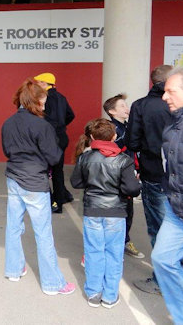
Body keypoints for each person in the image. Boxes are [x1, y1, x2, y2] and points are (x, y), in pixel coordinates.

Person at [1, 78, 75, 296]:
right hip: (35, 182)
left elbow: (7, 151)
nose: (45, 105)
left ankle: (13, 270)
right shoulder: (42, 126)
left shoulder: (8, 123)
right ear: (34, 101)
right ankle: (53, 283)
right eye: (43, 100)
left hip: (13, 179)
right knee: (43, 234)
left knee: (13, 227)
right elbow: (54, 156)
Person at [71, 118, 141, 308]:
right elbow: (132, 189)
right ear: (115, 136)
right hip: (116, 212)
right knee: (114, 253)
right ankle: (110, 296)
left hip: (92, 210)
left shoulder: (85, 158)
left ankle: (93, 293)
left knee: (94, 251)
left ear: (92, 136)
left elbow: (76, 183)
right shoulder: (123, 160)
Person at [126, 65, 179, 295]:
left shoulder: (141, 105)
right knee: (180, 226)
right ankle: (176, 271)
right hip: (182, 177)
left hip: (153, 173)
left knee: (159, 228)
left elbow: (133, 141)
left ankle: (162, 281)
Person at [152, 66, 183, 324]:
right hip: (177, 212)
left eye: (170, 91)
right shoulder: (173, 127)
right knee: (162, 259)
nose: (165, 96)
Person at [103, 93, 144, 259]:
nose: (127, 109)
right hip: (118, 177)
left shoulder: (127, 126)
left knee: (128, 211)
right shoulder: (111, 131)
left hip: (128, 174)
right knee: (119, 211)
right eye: (122, 106)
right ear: (112, 112)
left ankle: (124, 241)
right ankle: (118, 243)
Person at [34, 72, 75, 214]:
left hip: (49, 139)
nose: (36, 85)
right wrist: (62, 125)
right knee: (58, 171)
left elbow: (45, 120)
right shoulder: (62, 98)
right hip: (61, 137)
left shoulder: (44, 99)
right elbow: (71, 115)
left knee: (43, 171)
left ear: (45, 84)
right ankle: (61, 197)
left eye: (38, 83)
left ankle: (54, 202)